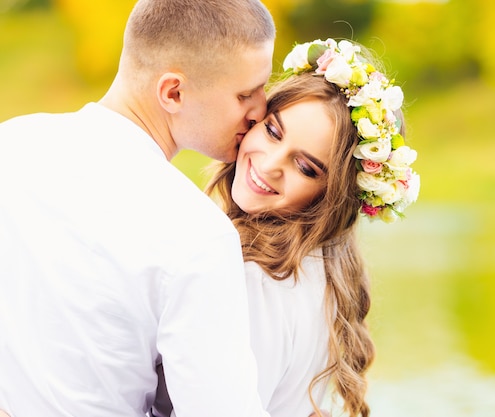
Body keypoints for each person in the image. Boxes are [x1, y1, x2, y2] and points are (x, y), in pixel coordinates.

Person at [0, 1, 275, 416]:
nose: (260, 110)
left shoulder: (11, 144)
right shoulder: (198, 233)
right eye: (245, 94)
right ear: (173, 92)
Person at [152, 38, 420, 417]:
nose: (270, 163)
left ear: (331, 196)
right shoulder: (324, 268)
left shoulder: (254, 275)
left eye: (306, 167)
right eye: (274, 132)